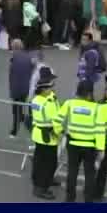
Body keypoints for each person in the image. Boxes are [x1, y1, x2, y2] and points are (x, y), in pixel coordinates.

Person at [60, 79, 106, 202]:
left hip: (73, 144)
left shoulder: (69, 103)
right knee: (90, 174)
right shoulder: (97, 108)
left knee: (72, 171)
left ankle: (69, 198)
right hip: (90, 147)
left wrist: (59, 131)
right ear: (90, 94)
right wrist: (101, 149)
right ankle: (88, 199)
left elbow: (58, 119)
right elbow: (100, 130)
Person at [28, 66, 62, 200]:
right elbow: (55, 121)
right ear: (43, 89)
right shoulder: (47, 103)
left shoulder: (37, 100)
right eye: (50, 87)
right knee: (48, 163)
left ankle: (43, 181)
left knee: (40, 160)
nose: (52, 89)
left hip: (40, 135)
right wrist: (60, 132)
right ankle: (41, 188)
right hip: (48, 136)